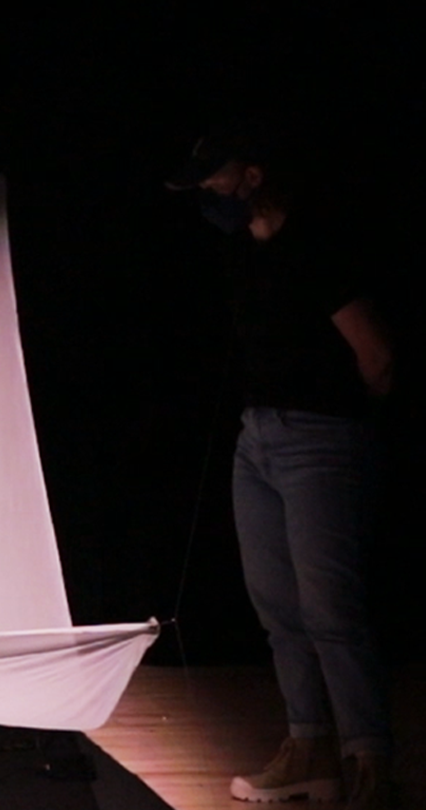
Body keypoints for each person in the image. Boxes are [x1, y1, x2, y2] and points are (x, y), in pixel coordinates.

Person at [167, 123, 396, 810]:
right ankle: (308, 750)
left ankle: (370, 762)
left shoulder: (317, 245)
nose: (207, 193)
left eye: (214, 178)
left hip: (320, 439)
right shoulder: (243, 253)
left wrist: (340, 422)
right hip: (256, 440)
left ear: (253, 174)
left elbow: (376, 356)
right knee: (278, 610)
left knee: (332, 611)